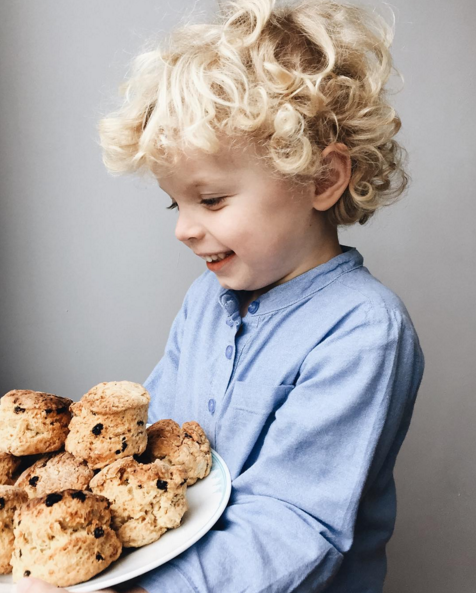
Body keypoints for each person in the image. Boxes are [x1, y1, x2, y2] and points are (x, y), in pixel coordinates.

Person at [17, 0, 424, 591]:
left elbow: (293, 526)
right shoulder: (205, 301)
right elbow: (153, 444)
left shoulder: (363, 330)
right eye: (175, 203)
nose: (184, 229)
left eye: (210, 200)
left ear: (322, 178)